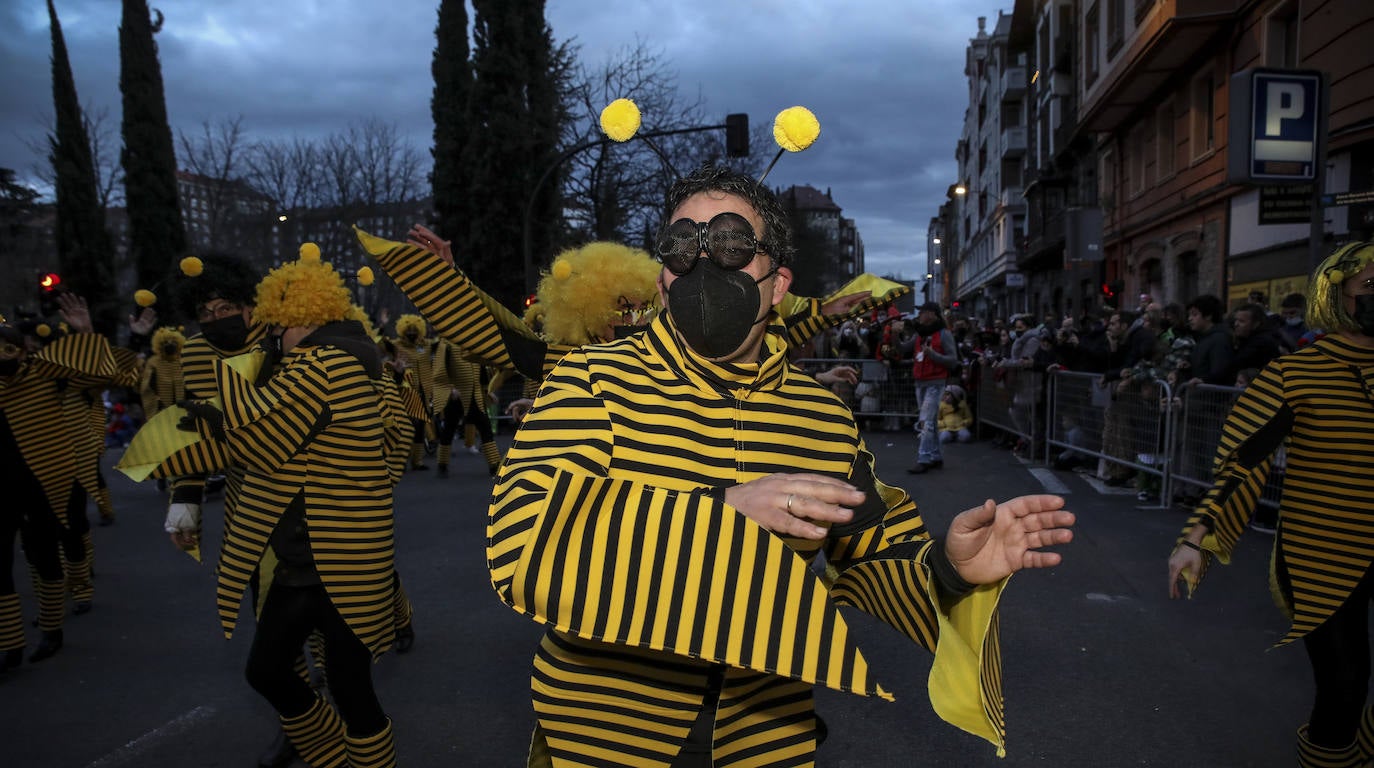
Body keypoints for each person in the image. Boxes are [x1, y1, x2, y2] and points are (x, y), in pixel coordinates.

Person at [488, 164, 1075, 766]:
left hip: (762, 735)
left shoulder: (819, 415)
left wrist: (950, 571)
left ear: (777, 283)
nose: (703, 264)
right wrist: (722, 512)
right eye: (681, 246)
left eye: (729, 244)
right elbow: (525, 537)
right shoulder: (591, 380)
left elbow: (872, 553)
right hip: (608, 733)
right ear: (663, 280)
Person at [173, 244, 405, 767]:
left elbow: (263, 432)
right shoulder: (316, 357)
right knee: (278, 668)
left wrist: (208, 417)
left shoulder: (321, 362)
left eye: (228, 307)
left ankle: (340, 748)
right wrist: (185, 496)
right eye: (205, 313)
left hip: (329, 544)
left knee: (345, 681)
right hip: (278, 530)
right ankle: (320, 746)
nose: (219, 320)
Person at [1168, 241, 1374, 767]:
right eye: (1371, 286)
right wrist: (1197, 539)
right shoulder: (1294, 374)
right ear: (1336, 294)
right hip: (1324, 553)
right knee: (1345, 688)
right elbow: (1242, 464)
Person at [0, 294, 114, 672]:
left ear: (21, 351)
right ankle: (9, 644)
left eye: (9, 349)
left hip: (49, 484)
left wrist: (87, 332)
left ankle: (52, 629)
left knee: (46, 556)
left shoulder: (48, 375)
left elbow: (99, 379)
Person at [903, 302, 957, 473]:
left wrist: (932, 354)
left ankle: (924, 457)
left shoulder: (944, 334)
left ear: (933, 314)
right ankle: (935, 455)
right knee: (930, 421)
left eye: (923, 312)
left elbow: (952, 360)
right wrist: (894, 336)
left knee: (925, 421)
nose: (920, 315)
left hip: (935, 382)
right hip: (921, 382)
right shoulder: (919, 335)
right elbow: (904, 348)